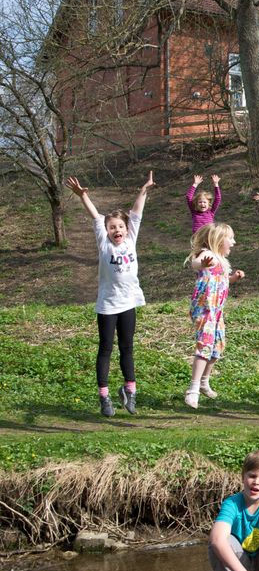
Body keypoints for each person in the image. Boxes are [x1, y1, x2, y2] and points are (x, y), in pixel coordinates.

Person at [65, 172, 154, 417]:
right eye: (112, 227)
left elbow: (136, 213)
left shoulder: (131, 239)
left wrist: (144, 189)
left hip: (128, 302)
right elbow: (95, 215)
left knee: (127, 347)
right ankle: (104, 397)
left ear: (126, 229)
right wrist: (83, 196)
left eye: (120, 227)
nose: (117, 230)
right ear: (107, 231)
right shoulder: (104, 243)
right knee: (105, 348)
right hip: (107, 305)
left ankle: (130, 391)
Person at [183, 222, 244, 409]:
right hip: (205, 309)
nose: (233, 242)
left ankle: (203, 382)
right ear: (218, 240)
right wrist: (201, 264)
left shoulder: (222, 261)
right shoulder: (208, 255)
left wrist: (234, 278)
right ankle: (192, 390)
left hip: (217, 312)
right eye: (230, 238)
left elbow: (222, 280)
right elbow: (196, 263)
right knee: (205, 346)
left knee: (217, 346)